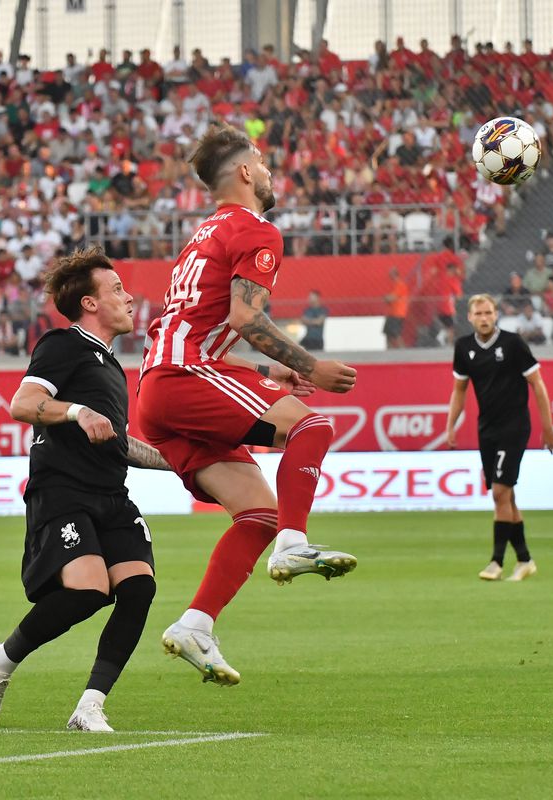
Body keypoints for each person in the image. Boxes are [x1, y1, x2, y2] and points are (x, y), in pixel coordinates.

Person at [136, 125, 358, 686]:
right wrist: (311, 368)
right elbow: (243, 318)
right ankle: (295, 544)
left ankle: (196, 625)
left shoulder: (204, 233)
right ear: (243, 173)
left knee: (257, 514)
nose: (268, 171)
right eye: (261, 160)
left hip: (163, 386)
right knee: (313, 425)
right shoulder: (256, 228)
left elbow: (204, 324)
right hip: (186, 375)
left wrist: (265, 370)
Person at [0, 248, 167, 732]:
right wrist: (78, 411)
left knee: (138, 586)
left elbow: (117, 443)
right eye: (117, 289)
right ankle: (0, 661)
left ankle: (89, 707)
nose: (129, 296)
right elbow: (24, 403)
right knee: (88, 591)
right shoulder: (63, 344)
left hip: (110, 494)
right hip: (63, 492)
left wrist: (181, 464)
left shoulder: (112, 368)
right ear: (90, 303)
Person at [445, 294, 553, 582]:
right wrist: (451, 426)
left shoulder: (513, 344)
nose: (483, 318)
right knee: (506, 495)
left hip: (515, 426)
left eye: (488, 312)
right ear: (469, 317)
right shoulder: (464, 347)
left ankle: (496, 562)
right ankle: (525, 560)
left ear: (496, 315)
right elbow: (459, 390)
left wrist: (547, 428)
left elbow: (538, 384)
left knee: (499, 492)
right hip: (487, 428)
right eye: (478, 313)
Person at [383, 268, 409, 348]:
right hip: (392, 313)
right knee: (388, 333)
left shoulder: (400, 285)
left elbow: (391, 297)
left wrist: (387, 298)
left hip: (397, 313)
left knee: (396, 334)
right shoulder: (395, 285)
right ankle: (389, 350)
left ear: (395, 275)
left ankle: (402, 350)